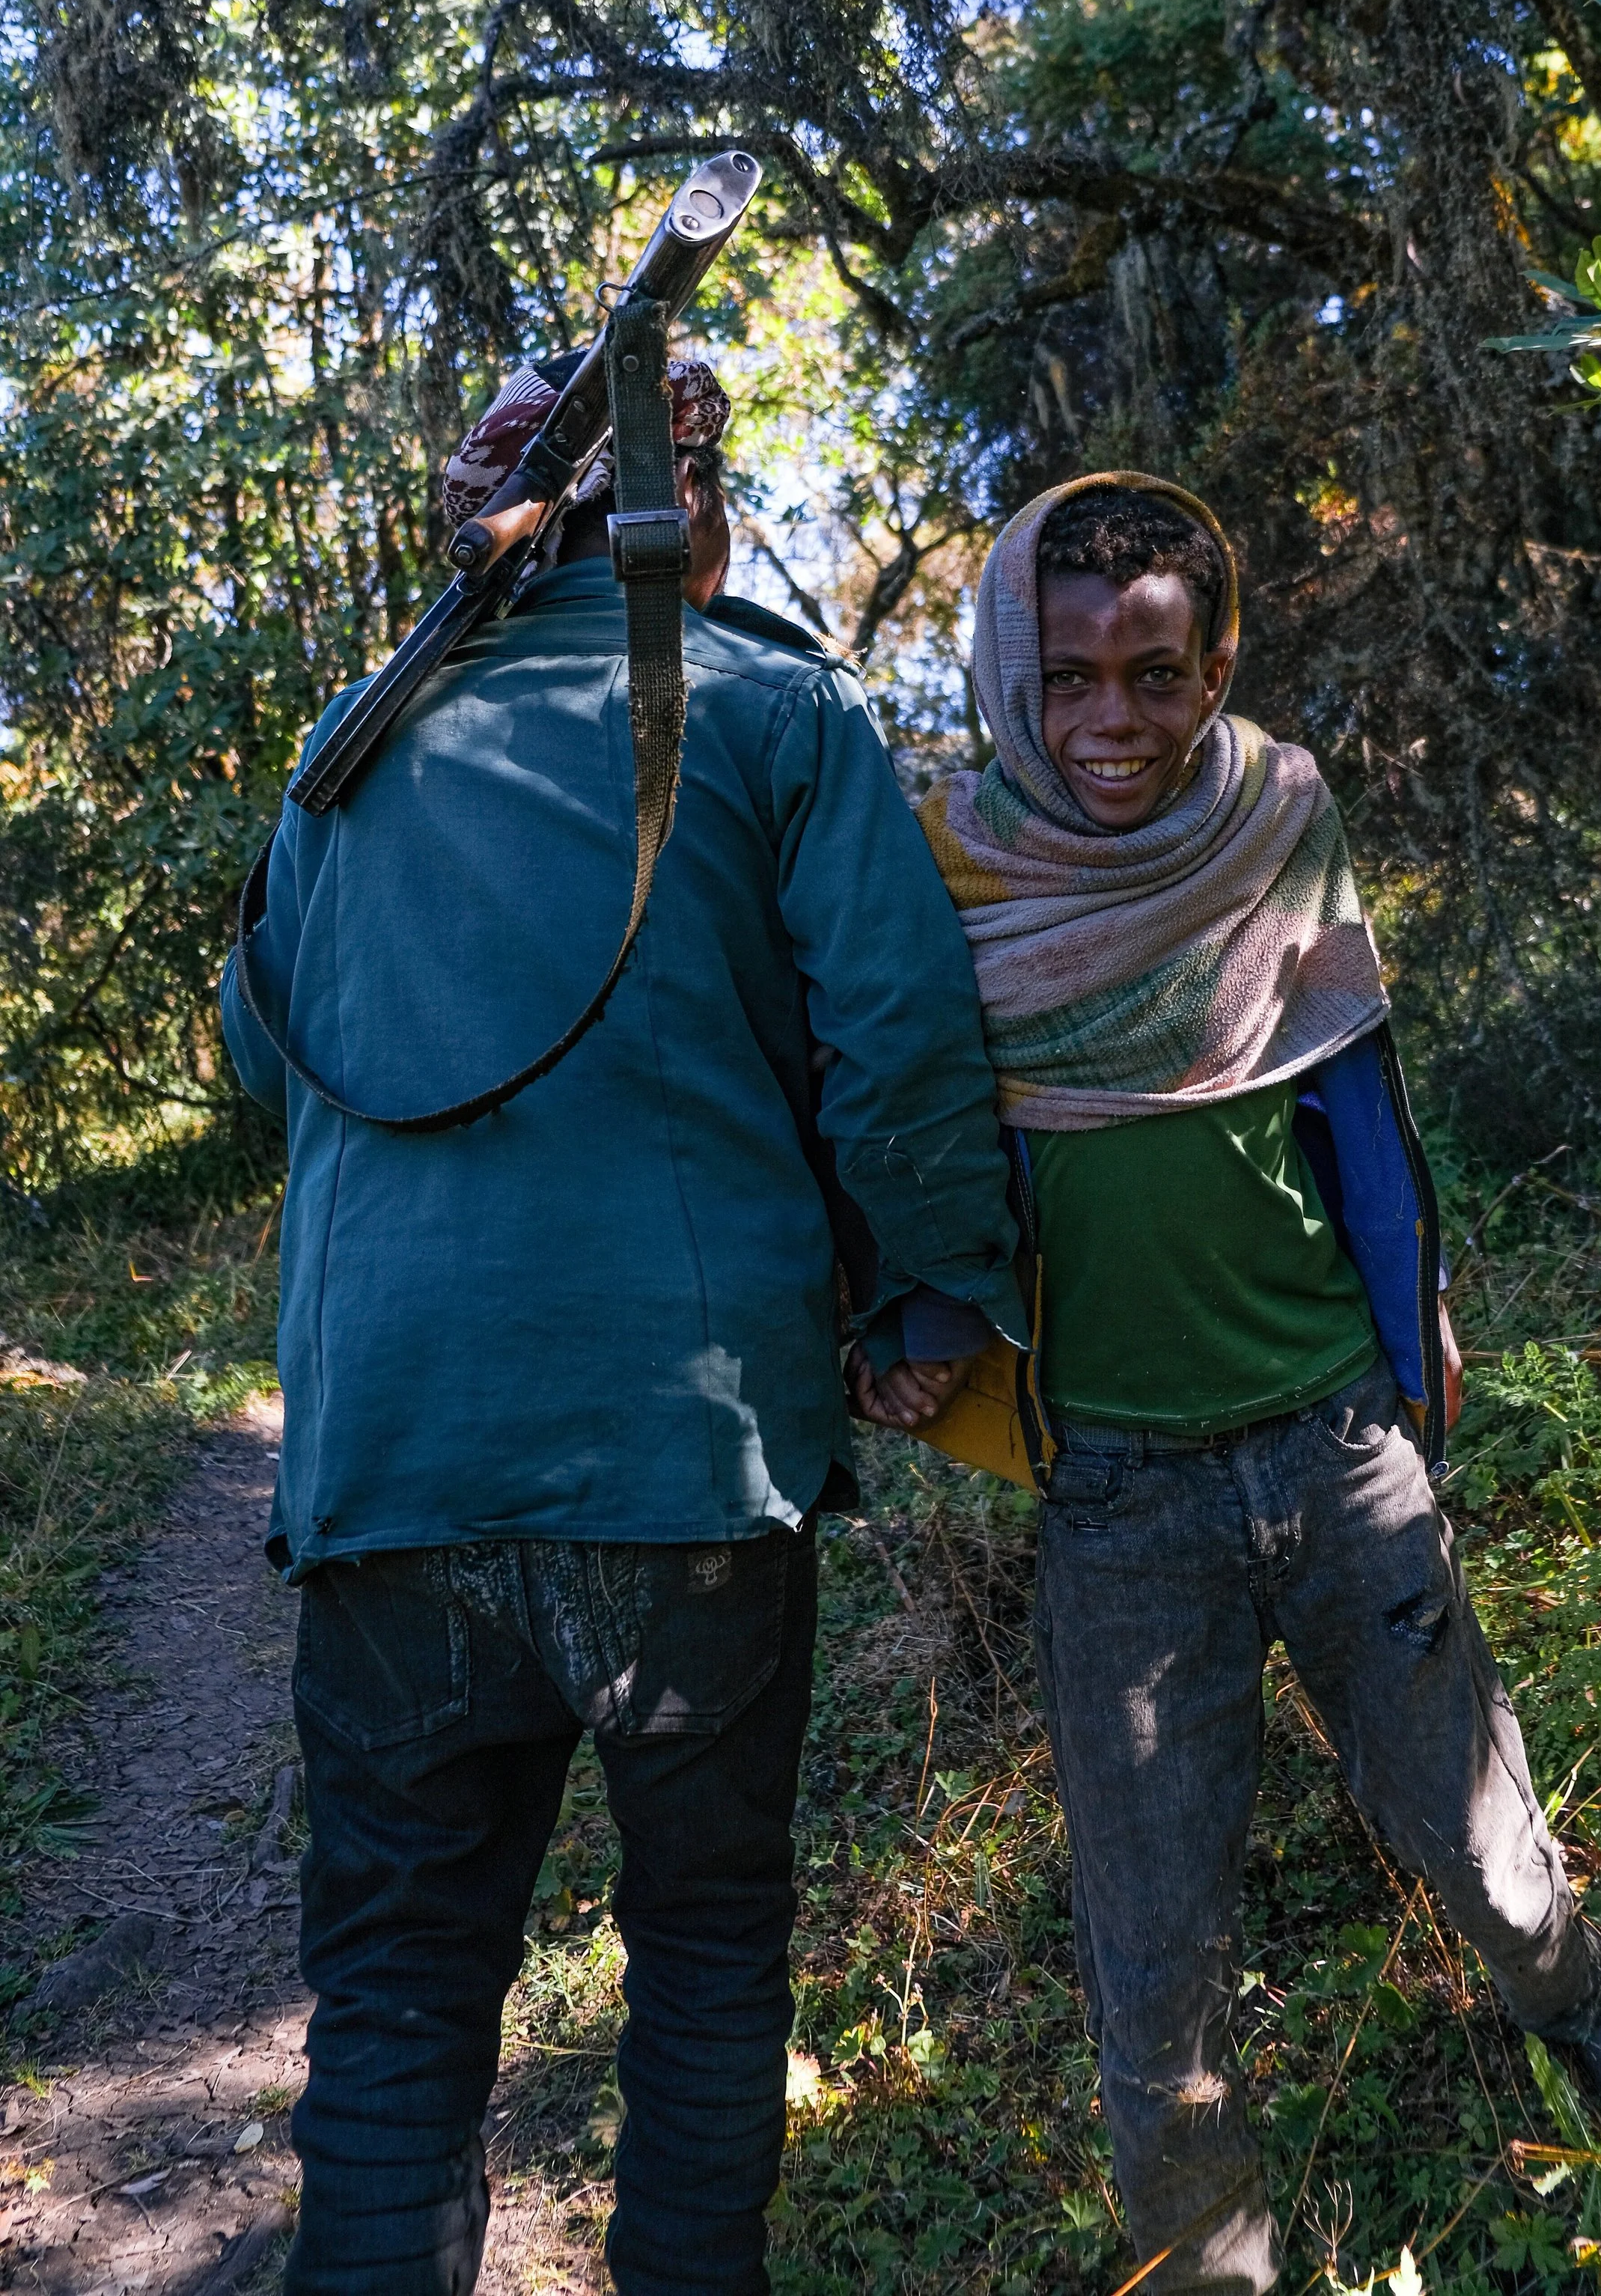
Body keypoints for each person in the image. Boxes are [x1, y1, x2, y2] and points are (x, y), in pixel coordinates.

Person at [221, 350, 1025, 2296]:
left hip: (387, 1454)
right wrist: (928, 1291)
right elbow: (901, 1046)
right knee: (706, 1942)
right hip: (684, 1450)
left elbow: (266, 1049)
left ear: (486, 516)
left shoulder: (351, 739)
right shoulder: (768, 705)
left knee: (401, 1991)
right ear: (697, 511)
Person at [852, 474, 1601, 2293]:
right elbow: (901, 1116)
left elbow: (1347, 1064)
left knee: (1478, 1844)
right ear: (1012, 669)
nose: (1110, 722)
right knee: (1151, 1943)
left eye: (1154, 675)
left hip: (1333, 1437)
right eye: (1068, 676)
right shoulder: (947, 861)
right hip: (1119, 1494)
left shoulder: (1277, 807)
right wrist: (903, 1324)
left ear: (1216, 659)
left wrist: (1420, 1316)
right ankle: (1205, 2253)